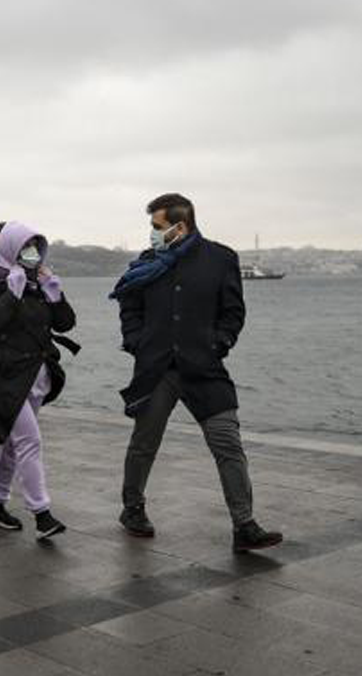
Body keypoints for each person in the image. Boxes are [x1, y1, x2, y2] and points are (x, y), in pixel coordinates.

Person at [111, 193, 282, 553]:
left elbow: (233, 312)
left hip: (204, 369)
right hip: (157, 368)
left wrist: (218, 344)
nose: (152, 233)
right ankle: (133, 508)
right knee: (144, 443)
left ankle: (244, 525)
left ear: (180, 226)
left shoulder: (221, 259)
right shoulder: (146, 263)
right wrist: (136, 342)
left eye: (157, 226)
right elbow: (130, 305)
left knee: (228, 444)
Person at [0, 221, 76, 540]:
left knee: (12, 443)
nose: (32, 254)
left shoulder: (38, 281)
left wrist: (56, 295)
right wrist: (12, 292)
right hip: (2, 377)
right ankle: (42, 514)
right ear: (10, 247)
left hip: (35, 375)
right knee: (29, 441)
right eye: (26, 247)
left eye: (36, 246)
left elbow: (66, 324)